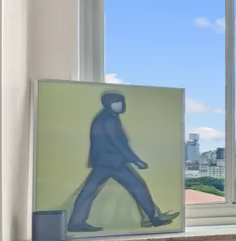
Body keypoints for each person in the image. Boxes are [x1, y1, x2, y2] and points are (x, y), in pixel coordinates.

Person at [67, 90, 179, 232]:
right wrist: (135, 160)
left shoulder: (107, 117)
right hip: (110, 162)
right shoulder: (108, 119)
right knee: (135, 186)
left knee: (92, 190)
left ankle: (152, 218)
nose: (120, 105)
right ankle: (152, 218)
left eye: (121, 102)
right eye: (116, 103)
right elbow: (117, 143)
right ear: (108, 105)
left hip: (108, 161)